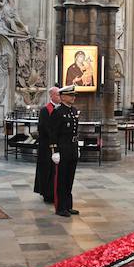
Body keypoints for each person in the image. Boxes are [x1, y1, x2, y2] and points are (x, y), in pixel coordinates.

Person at [49, 85, 80, 217]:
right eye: (70, 95)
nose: (73, 97)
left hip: (72, 147)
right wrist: (55, 151)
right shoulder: (58, 111)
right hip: (62, 149)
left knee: (70, 178)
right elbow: (53, 133)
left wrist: (77, 147)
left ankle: (68, 205)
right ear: (62, 97)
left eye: (74, 95)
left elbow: (75, 131)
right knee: (61, 179)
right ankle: (60, 207)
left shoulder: (73, 111)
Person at [34, 86, 59, 203]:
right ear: (51, 96)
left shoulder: (60, 109)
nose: (59, 97)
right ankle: (47, 193)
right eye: (57, 95)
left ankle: (54, 192)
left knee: (55, 171)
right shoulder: (45, 110)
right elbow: (44, 128)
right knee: (46, 170)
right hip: (46, 146)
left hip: (56, 145)